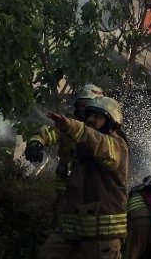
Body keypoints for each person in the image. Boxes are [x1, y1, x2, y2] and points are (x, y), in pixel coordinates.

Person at [38, 95, 130, 259]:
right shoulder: (84, 147)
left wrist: (70, 125)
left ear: (110, 121)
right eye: (89, 115)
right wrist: (37, 140)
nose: (90, 120)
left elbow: (96, 142)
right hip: (74, 229)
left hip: (103, 235)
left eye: (97, 116)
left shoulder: (116, 145)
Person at [25, 84, 106, 225]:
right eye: (81, 105)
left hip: (93, 194)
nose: (83, 109)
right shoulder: (67, 126)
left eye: (87, 105)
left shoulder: (105, 133)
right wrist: (35, 143)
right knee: (61, 226)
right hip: (66, 191)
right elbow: (46, 134)